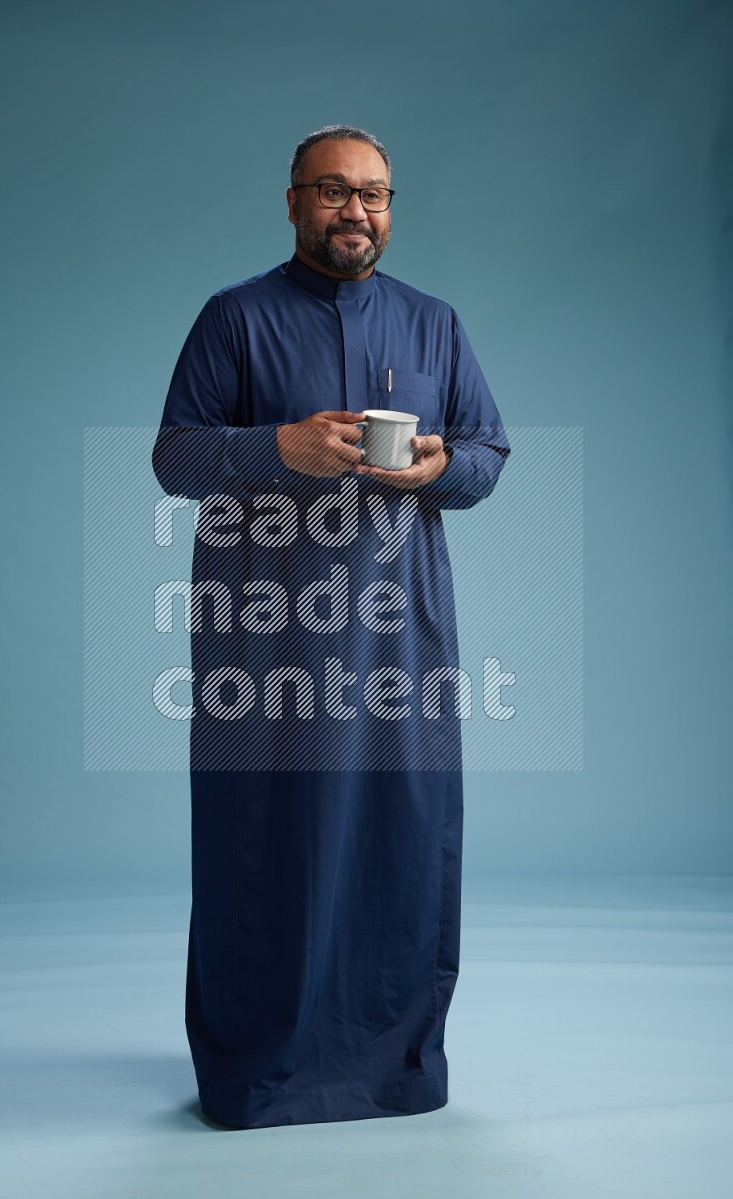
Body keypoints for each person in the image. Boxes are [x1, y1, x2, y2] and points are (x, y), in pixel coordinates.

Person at [151, 124, 510, 1129]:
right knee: (263, 839)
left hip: (399, 634)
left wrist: (438, 469)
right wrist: (277, 447)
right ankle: (258, 1068)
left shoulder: (432, 323)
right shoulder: (235, 319)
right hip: (267, 636)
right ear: (293, 201)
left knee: (402, 833)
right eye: (334, 191)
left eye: (375, 194)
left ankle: (393, 1062)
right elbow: (176, 457)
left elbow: (486, 450)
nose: (357, 210)